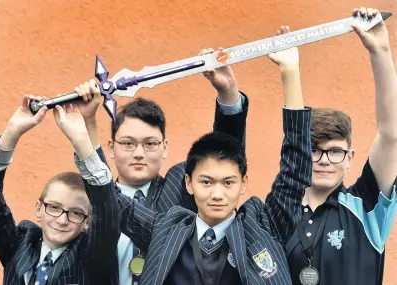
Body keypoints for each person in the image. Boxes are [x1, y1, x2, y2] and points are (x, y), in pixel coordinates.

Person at [107, 26, 313, 284]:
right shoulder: (168, 228)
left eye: (228, 183)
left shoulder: (262, 226)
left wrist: (290, 71)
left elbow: (293, 172)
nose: (217, 193)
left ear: (243, 183)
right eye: (206, 182)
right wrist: (84, 127)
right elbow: (103, 191)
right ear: (189, 183)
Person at [74, 48, 249, 284]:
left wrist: (227, 92)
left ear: (164, 148)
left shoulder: (180, 186)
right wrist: (89, 120)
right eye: (127, 143)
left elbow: (223, 156)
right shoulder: (85, 202)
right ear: (111, 148)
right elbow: (99, 185)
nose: (138, 153)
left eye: (150, 143)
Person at [285, 7, 397, 285]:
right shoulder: (277, 211)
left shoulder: (367, 206)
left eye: (335, 151)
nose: (324, 160)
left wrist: (380, 51)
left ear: (350, 158)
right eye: (314, 150)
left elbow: (391, 133)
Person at [0, 96, 120, 285]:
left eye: (75, 213)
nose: (62, 220)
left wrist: (81, 140)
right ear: (38, 209)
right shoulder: (19, 246)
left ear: (87, 222)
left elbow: (108, 212)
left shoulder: (93, 257)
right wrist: (12, 132)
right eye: (54, 207)